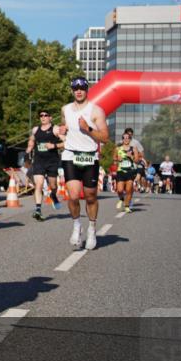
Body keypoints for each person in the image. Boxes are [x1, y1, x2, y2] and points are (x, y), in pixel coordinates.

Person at [59, 77, 109, 251]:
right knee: (73, 195)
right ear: (72, 90)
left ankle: (92, 229)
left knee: (90, 197)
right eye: (75, 88)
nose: (78, 91)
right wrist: (62, 129)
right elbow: (64, 126)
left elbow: (105, 137)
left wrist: (87, 128)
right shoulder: (65, 109)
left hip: (89, 157)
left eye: (81, 88)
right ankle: (76, 225)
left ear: (87, 90)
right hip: (70, 155)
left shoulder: (96, 111)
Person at [26, 109, 64, 220]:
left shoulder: (55, 129)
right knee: (39, 184)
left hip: (52, 162)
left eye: (46, 115)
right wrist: (28, 149)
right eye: (41, 115)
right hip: (39, 161)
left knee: (53, 186)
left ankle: (53, 195)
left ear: (50, 117)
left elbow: (66, 142)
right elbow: (32, 140)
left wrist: (54, 146)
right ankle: (38, 209)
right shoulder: (35, 129)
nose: (43, 117)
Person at [113, 132, 138, 213]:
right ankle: (121, 198)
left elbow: (137, 161)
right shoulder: (118, 149)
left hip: (130, 171)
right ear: (122, 139)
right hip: (121, 171)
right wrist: (117, 160)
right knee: (120, 190)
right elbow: (114, 160)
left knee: (128, 190)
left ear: (130, 139)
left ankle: (127, 206)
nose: (126, 139)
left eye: (128, 138)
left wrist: (131, 156)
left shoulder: (133, 149)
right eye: (124, 138)